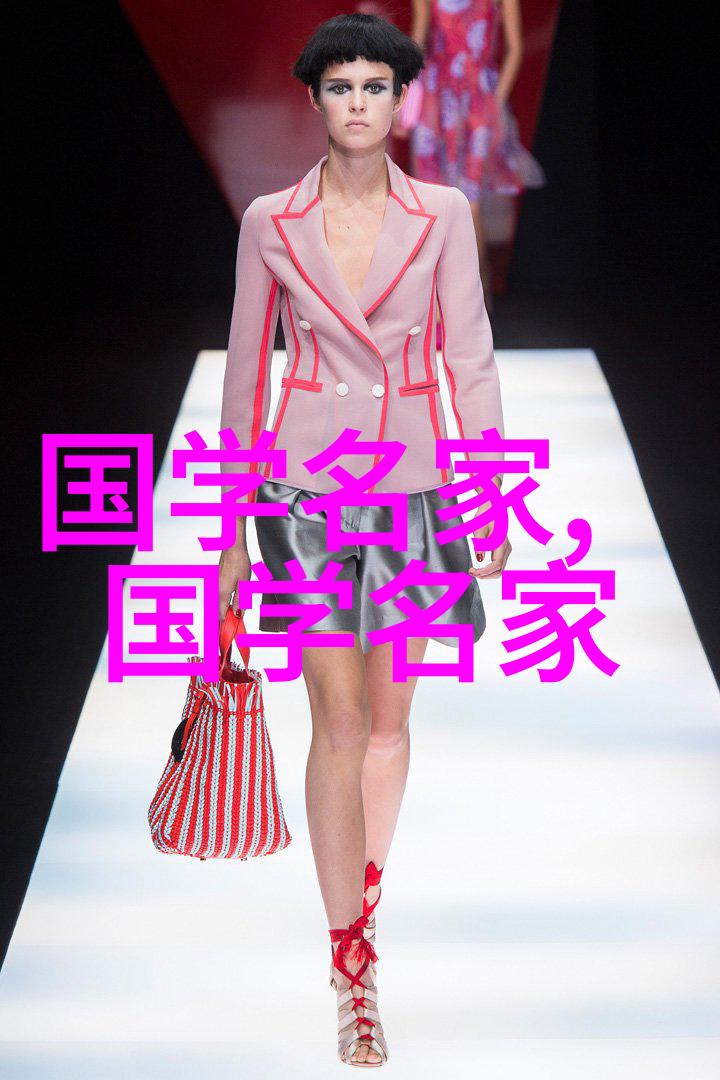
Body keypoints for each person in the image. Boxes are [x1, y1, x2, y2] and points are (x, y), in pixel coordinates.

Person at [218, 12, 512, 1067]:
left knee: (390, 724)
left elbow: (469, 356)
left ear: (399, 100)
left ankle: (364, 896)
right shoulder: (271, 221)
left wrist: (488, 494)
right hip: (302, 496)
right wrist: (231, 534)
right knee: (338, 722)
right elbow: (246, 374)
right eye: (340, 87)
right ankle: (352, 962)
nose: (357, 103)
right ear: (314, 100)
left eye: (374, 87)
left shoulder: (443, 214)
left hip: (413, 489)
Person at [405, 0, 545, 304]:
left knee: (469, 202)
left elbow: (515, 48)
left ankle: (478, 292)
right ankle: (437, 301)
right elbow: (418, 42)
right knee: (432, 202)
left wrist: (496, 102)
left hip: (479, 101)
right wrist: (406, 97)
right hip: (436, 100)